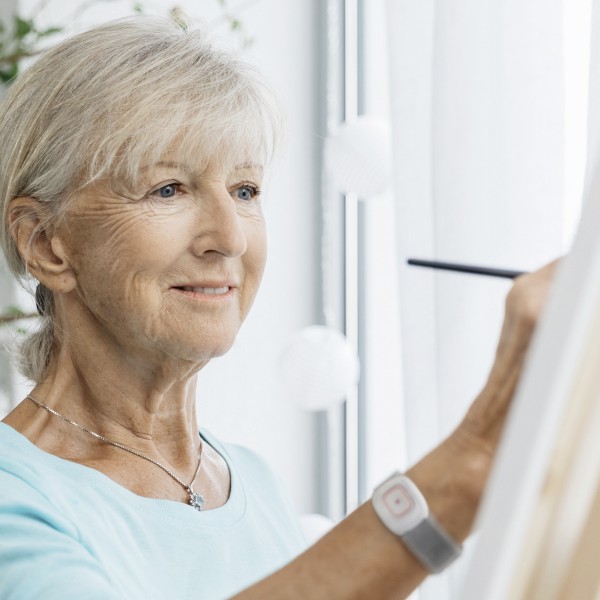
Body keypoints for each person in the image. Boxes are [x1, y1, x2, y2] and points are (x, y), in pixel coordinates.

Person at [0, 15, 556, 599]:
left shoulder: (249, 480)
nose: (230, 237)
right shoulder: (15, 493)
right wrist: (467, 468)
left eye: (244, 191)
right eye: (169, 188)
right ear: (46, 244)